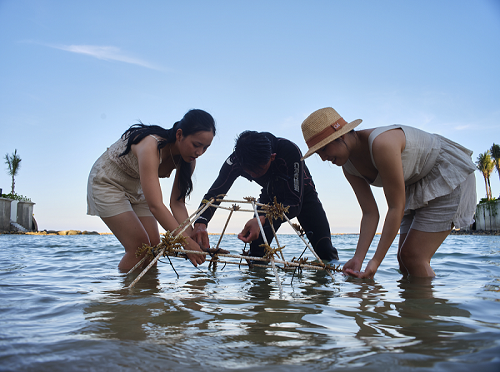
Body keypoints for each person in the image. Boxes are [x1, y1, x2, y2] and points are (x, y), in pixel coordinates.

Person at [300, 107, 477, 279]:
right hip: (413, 186)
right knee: (403, 259)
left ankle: (430, 308)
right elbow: (370, 213)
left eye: (323, 149)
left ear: (341, 135)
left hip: (443, 174)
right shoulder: (348, 167)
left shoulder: (382, 144)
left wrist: (376, 261)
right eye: (317, 153)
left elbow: (395, 207)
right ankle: (414, 309)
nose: (323, 158)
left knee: (413, 257)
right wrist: (358, 258)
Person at [87, 109, 216, 271]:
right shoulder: (151, 145)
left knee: (154, 248)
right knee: (139, 247)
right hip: (107, 182)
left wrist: (191, 239)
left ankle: (148, 295)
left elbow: (177, 203)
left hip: (137, 186)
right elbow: (156, 205)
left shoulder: (188, 160)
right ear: (179, 135)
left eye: (205, 148)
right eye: (196, 145)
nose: (199, 153)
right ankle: (122, 293)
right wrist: (185, 242)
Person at [191, 130, 339, 261]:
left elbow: (295, 204)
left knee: (325, 250)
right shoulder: (236, 160)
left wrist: (263, 219)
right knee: (257, 255)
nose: (254, 175)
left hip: (301, 195)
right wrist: (201, 221)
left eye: (258, 171)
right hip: (269, 195)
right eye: (249, 172)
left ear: (272, 157)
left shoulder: (289, 150)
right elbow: (215, 193)